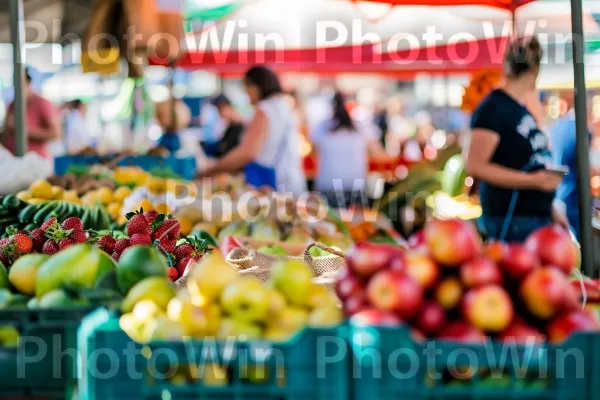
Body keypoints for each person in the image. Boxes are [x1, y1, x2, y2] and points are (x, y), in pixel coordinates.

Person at [466, 36, 569, 242]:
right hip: (512, 223)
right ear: (535, 71)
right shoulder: (492, 109)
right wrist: (533, 181)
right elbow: (475, 166)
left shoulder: (520, 110)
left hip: (533, 220)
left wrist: (549, 209)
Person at [198, 66, 307, 196]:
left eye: (246, 87)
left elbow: (247, 153)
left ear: (256, 86)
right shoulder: (283, 106)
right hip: (292, 182)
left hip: (272, 185)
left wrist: (212, 170)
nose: (246, 93)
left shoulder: (265, 108)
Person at [311, 92, 387, 208]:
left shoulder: (322, 128)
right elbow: (377, 153)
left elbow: (313, 153)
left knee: (331, 223)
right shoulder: (361, 127)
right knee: (356, 224)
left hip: (328, 185)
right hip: (355, 185)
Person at [2, 69, 60, 159]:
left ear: (29, 83)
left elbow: (55, 133)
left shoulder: (41, 103)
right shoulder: (12, 105)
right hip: (15, 159)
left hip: (37, 161)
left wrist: (23, 130)